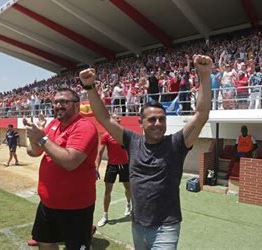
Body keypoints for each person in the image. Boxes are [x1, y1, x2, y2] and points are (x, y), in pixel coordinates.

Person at [80, 54, 212, 249]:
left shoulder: (176, 144)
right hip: (138, 225)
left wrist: (205, 76)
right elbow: (104, 118)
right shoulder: (132, 141)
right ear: (140, 122)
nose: (158, 123)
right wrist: (90, 87)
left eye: (162, 119)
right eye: (152, 119)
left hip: (166, 228)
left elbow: (201, 115)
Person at [24, 88, 98, 249]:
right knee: (45, 243)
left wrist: (41, 138)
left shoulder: (84, 126)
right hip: (48, 203)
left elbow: (70, 162)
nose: (58, 105)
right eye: (56, 102)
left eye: (64, 101)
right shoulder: (53, 124)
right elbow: (33, 152)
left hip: (76, 207)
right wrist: (31, 136)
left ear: (77, 106)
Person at [95, 114, 131, 227]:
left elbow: (132, 149)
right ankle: (105, 216)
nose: (119, 119)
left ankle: (129, 205)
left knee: (128, 188)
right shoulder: (106, 135)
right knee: (107, 191)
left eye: (120, 118)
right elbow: (99, 153)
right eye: (117, 118)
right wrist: (96, 168)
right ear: (112, 120)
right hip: (112, 166)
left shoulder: (125, 134)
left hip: (125, 165)